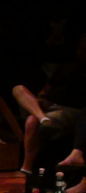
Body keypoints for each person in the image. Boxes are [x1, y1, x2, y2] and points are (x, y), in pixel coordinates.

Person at [14, 33, 86, 174]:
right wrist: (42, 99)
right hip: (47, 107)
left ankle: (26, 169)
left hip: (70, 110)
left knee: (31, 121)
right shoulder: (65, 67)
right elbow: (45, 90)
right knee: (18, 89)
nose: (81, 51)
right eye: (80, 48)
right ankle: (42, 118)